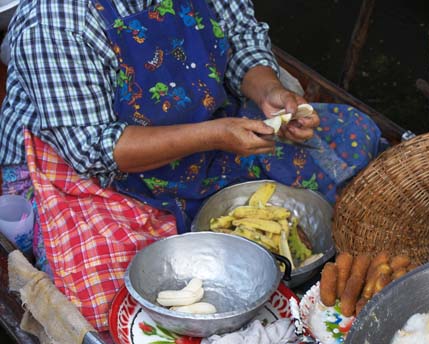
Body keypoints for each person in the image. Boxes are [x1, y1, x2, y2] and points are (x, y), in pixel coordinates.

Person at [0, 0, 380, 271]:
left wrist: (269, 92)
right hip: (92, 171)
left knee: (353, 133)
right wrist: (214, 135)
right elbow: (95, 148)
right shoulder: (55, 18)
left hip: (205, 127)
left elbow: (242, 39)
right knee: (139, 277)